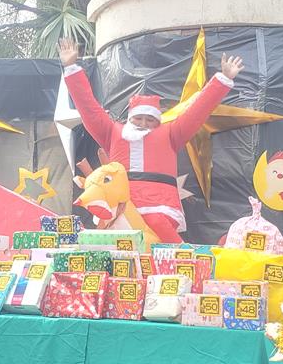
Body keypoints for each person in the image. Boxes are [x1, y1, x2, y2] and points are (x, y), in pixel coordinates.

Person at [59, 37, 243, 242]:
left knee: (158, 230)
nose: (143, 123)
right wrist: (71, 68)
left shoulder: (171, 133)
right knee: (120, 245)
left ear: (158, 121)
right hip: (121, 203)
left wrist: (222, 80)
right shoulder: (112, 131)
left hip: (159, 204)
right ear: (130, 118)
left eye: (150, 120)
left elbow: (198, 111)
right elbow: (89, 108)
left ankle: (181, 254)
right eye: (139, 118)